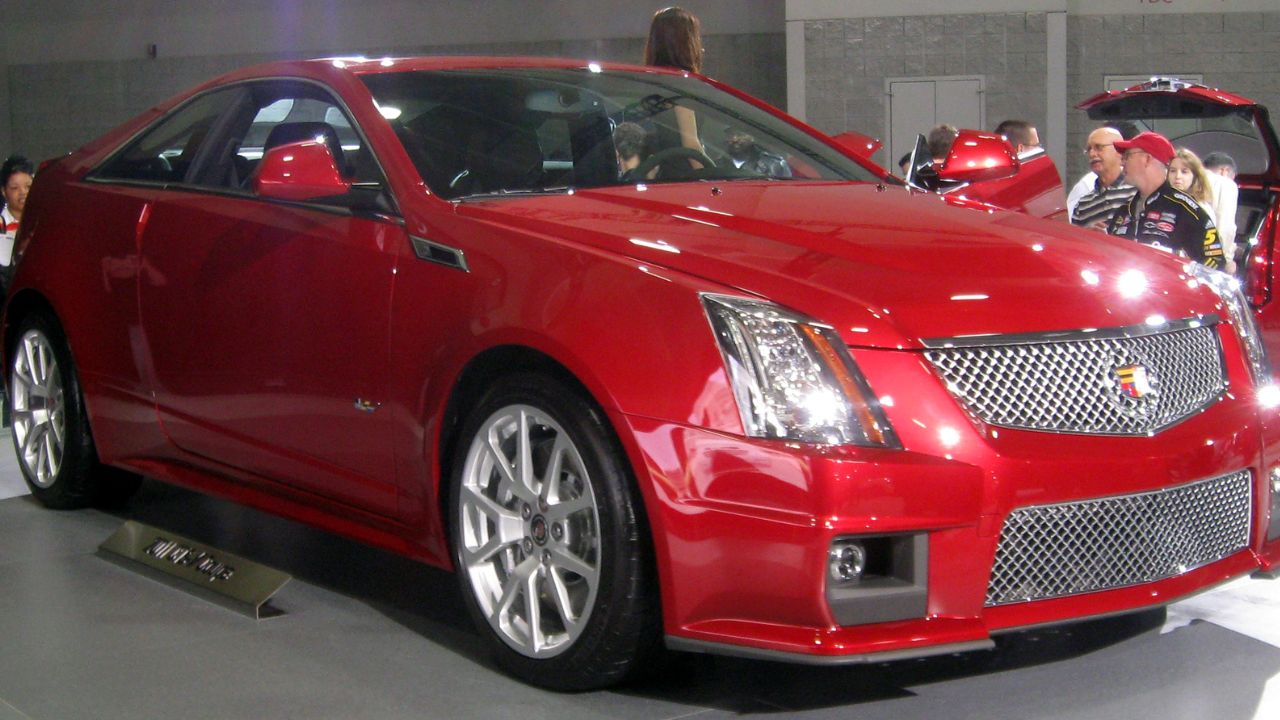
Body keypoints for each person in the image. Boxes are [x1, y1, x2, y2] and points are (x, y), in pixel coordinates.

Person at [1105, 132, 1223, 269]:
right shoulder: (1123, 211)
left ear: (1147, 159)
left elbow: (1215, 260)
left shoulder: (1185, 208)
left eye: (1127, 156)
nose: (1122, 162)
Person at [643, 6, 704, 156]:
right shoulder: (680, 83)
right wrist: (717, 176)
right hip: (685, 173)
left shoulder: (649, 82)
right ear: (686, 41)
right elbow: (690, 144)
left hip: (663, 171)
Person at [1071, 127, 1137, 229]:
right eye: (1089, 149)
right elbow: (1075, 243)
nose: (1092, 154)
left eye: (1099, 147)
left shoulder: (1138, 191)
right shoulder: (1083, 205)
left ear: (1119, 150)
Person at [1, 155, 34, 270]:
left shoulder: (43, 221)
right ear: (4, 191)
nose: (23, 192)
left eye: (28, 186)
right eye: (15, 188)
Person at [724, 128, 791, 178]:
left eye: (740, 134)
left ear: (752, 137)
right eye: (731, 134)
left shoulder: (774, 164)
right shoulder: (717, 166)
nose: (735, 139)